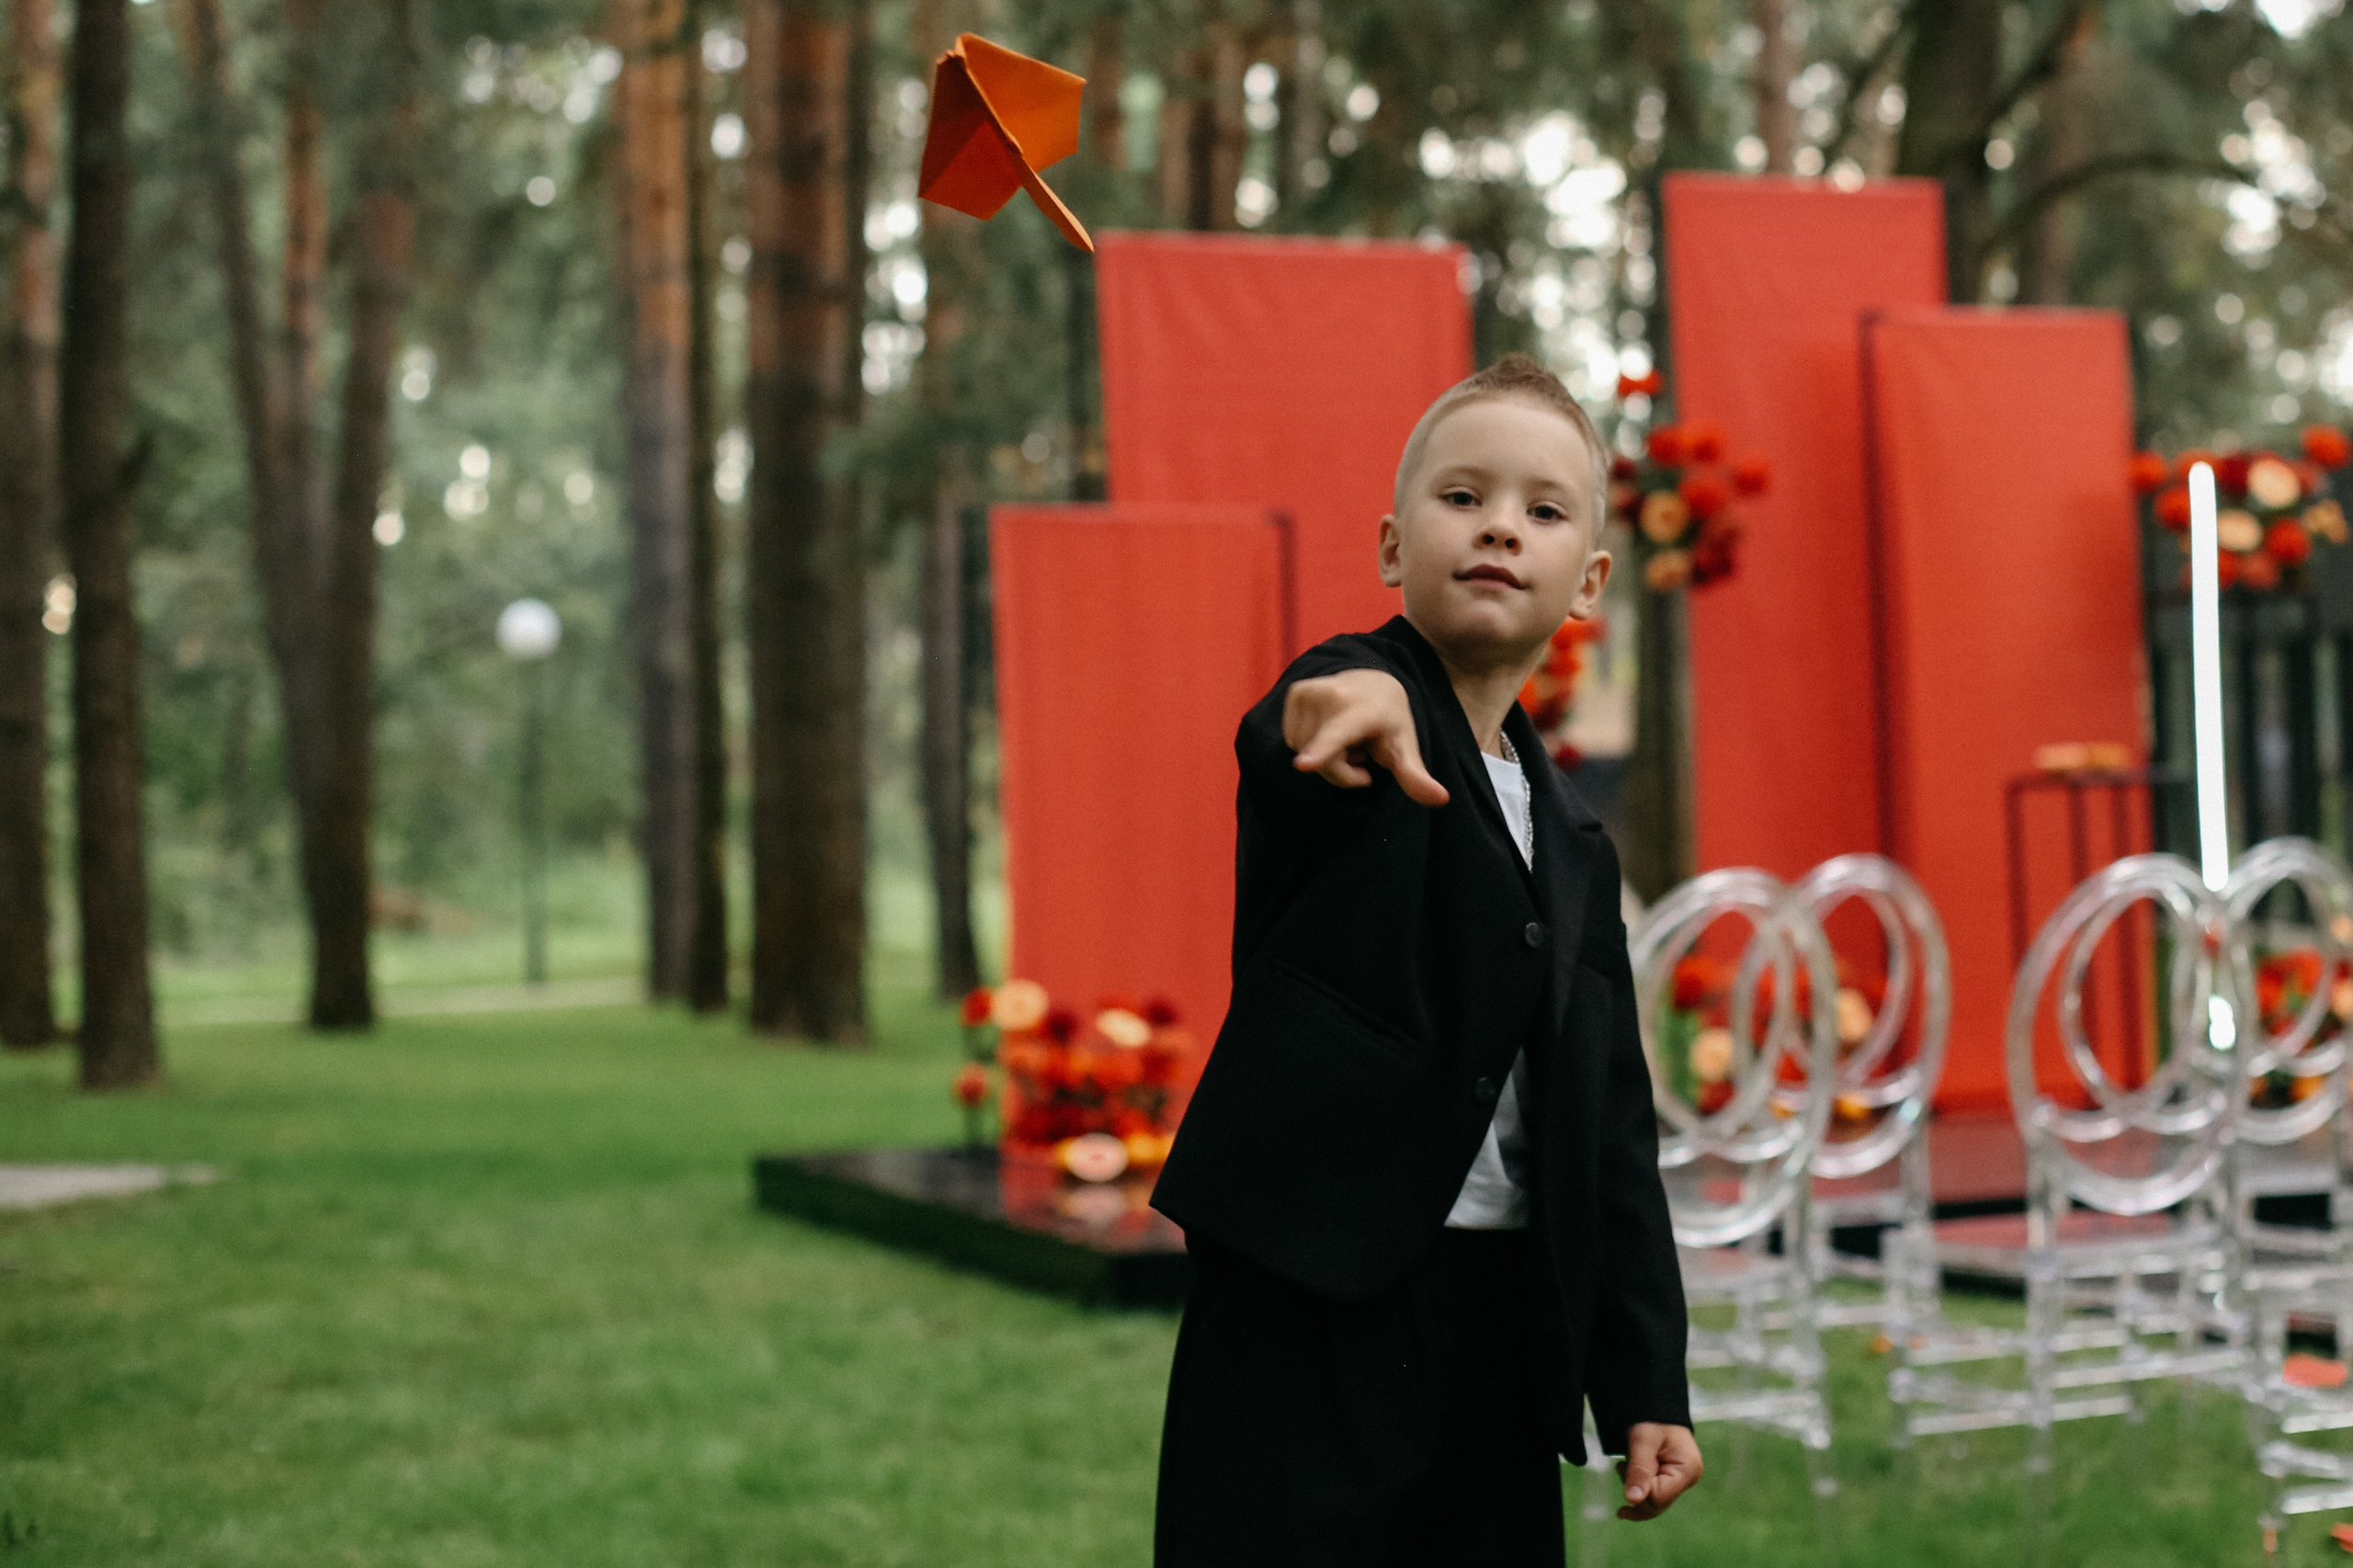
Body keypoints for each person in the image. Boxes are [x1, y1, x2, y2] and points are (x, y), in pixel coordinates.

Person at [1150, 353, 1701, 1565]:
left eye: (1543, 510)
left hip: (1502, 1323)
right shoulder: (1359, 704)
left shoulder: (1576, 844)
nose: (1501, 525)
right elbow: (1298, 719)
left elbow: (1609, 1127)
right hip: (1305, 1310)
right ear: (1395, 546)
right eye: (1463, 497)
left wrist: (1646, 1372)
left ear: (1589, 580)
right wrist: (1338, 711)